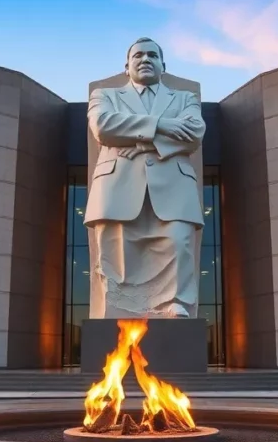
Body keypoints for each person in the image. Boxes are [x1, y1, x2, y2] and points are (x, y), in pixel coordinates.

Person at [84, 37, 205, 319]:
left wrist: (136, 142)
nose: (145, 59)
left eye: (153, 55)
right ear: (127, 66)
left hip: (174, 187)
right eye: (138, 55)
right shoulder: (105, 95)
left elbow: (194, 134)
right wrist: (162, 125)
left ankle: (176, 304)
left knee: (178, 242)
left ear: (163, 65)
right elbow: (103, 126)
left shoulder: (185, 99)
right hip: (118, 187)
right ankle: (118, 308)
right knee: (117, 250)